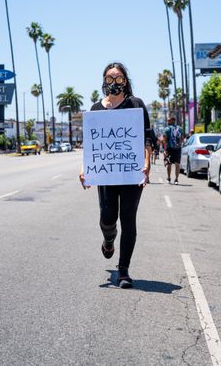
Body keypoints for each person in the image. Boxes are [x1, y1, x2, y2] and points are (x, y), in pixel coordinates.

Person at [79, 62, 152, 289]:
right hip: (107, 175)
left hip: (131, 174)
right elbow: (91, 145)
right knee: (108, 217)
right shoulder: (96, 109)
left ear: (125, 81)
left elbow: (147, 137)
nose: (114, 82)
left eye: (119, 78)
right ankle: (109, 240)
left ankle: (123, 271)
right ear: (103, 81)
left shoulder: (136, 105)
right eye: (110, 78)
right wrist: (85, 169)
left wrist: (147, 163)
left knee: (128, 219)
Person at [163, 115, 182, 185]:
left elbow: (164, 140)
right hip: (178, 148)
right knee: (177, 164)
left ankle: (168, 178)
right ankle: (176, 179)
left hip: (170, 148)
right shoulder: (180, 128)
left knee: (169, 163)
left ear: (171, 121)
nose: (167, 121)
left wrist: (165, 150)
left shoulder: (167, 129)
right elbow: (182, 139)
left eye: (168, 120)